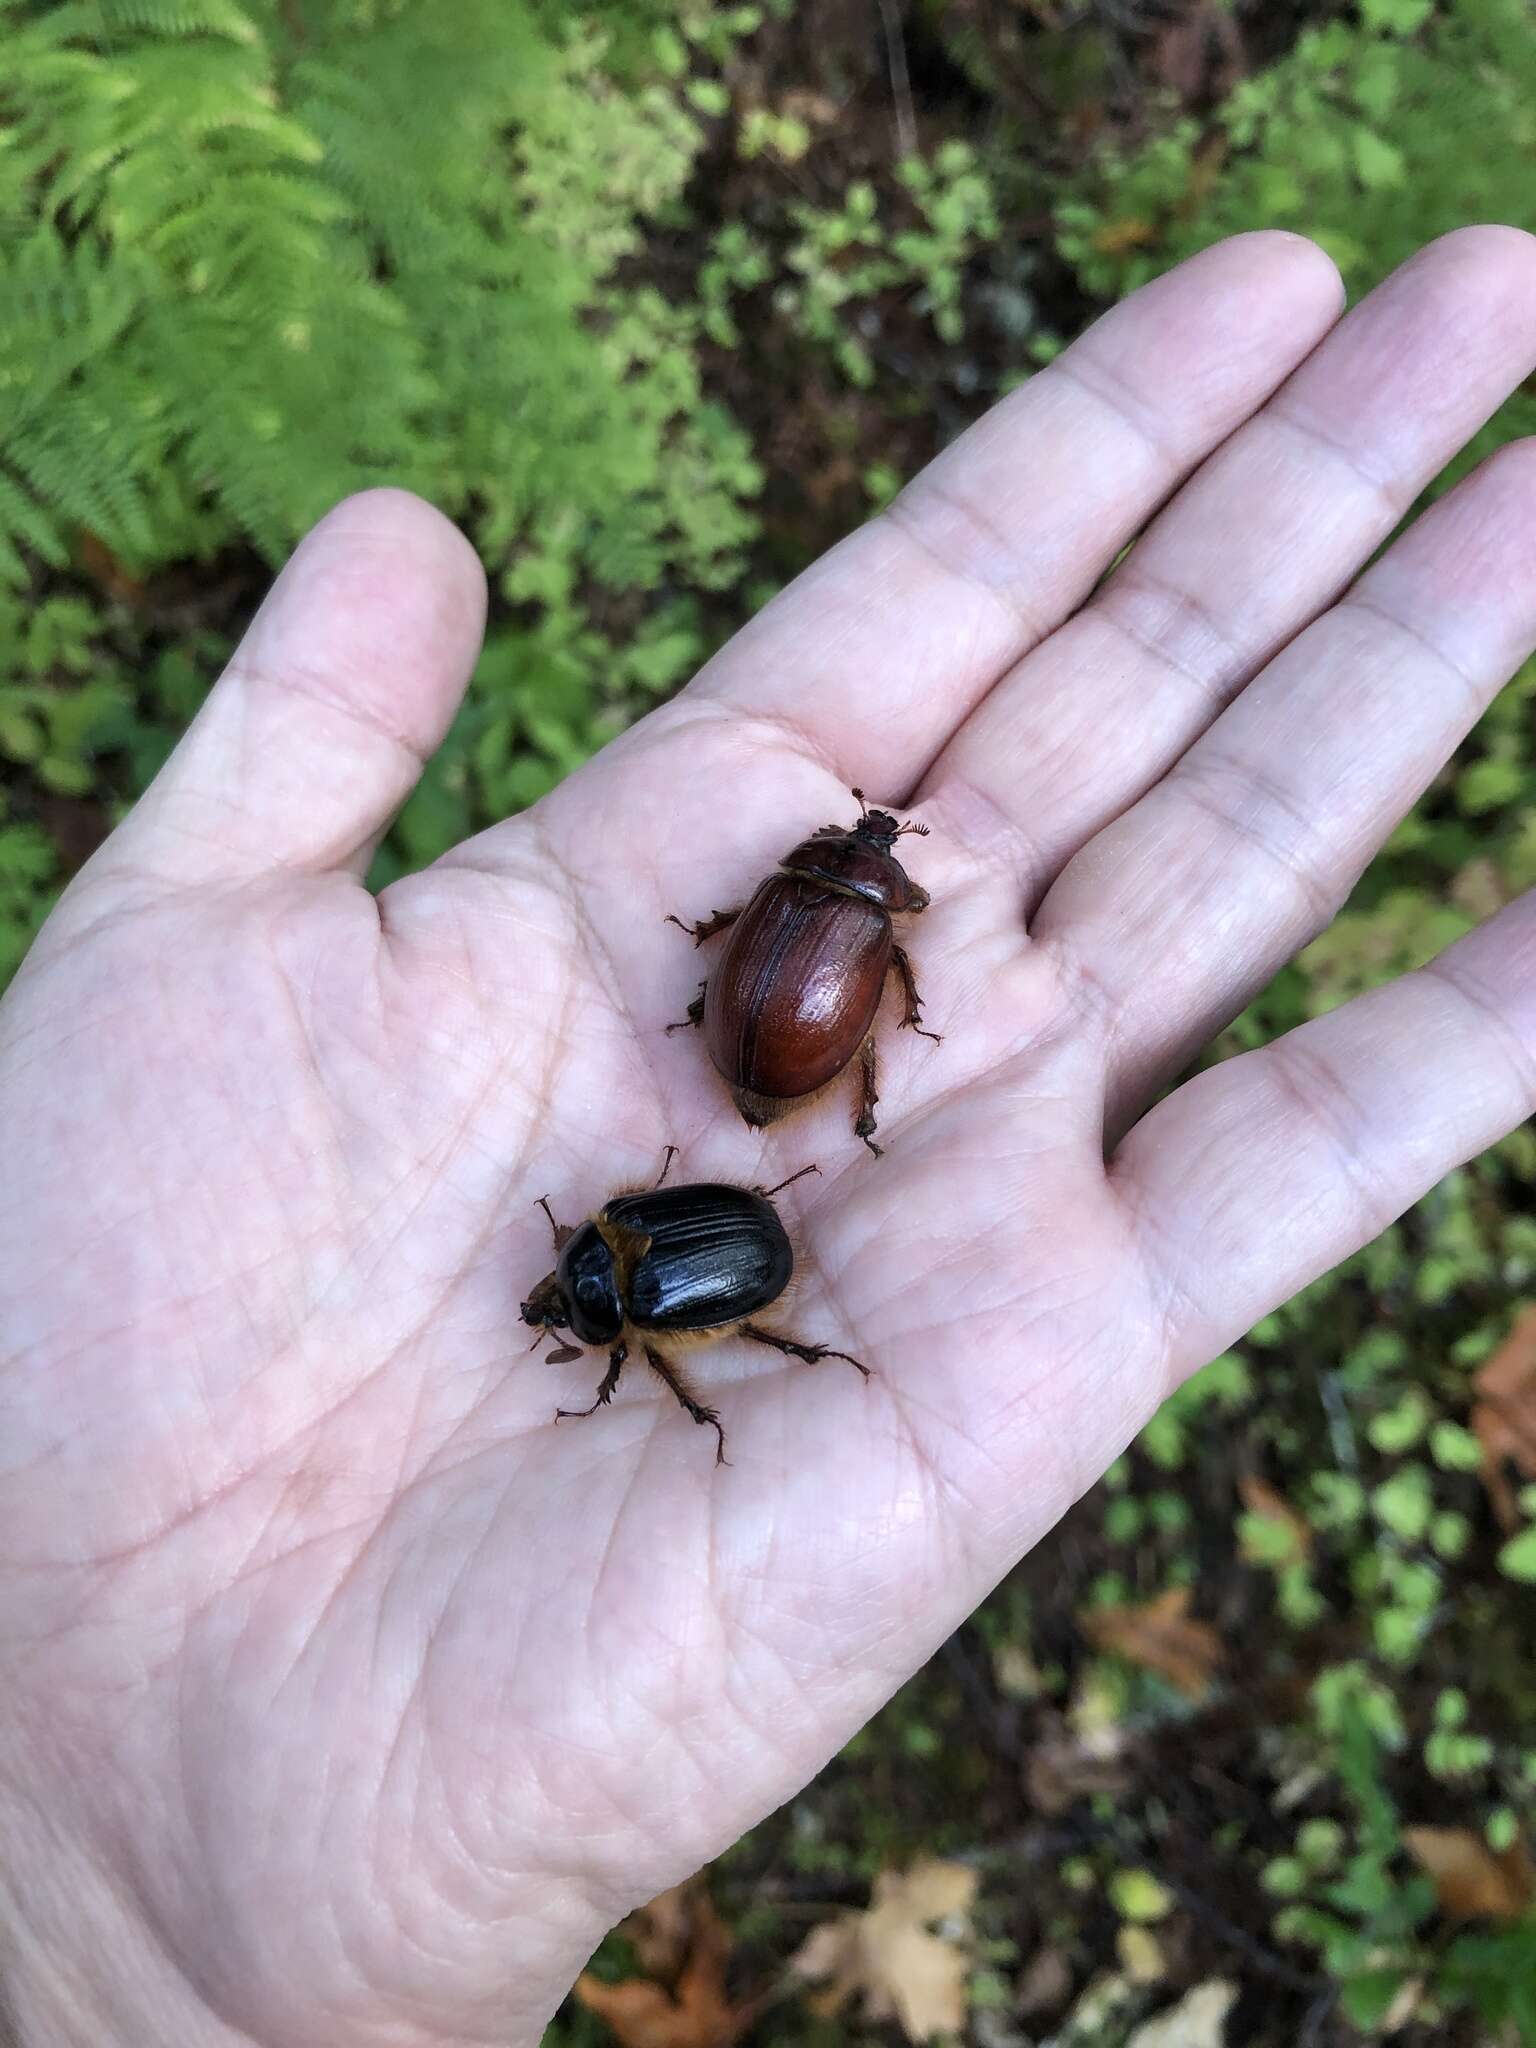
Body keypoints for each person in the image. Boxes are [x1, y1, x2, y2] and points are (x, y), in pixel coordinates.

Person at [1, 226, 1534, 2046]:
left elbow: (757, 1067)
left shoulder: (814, 972)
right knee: (777, 1134)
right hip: (766, 1132)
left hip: (770, 1112)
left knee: (785, 1105)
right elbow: (730, 1136)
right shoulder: (792, 1027)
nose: (574, 1304)